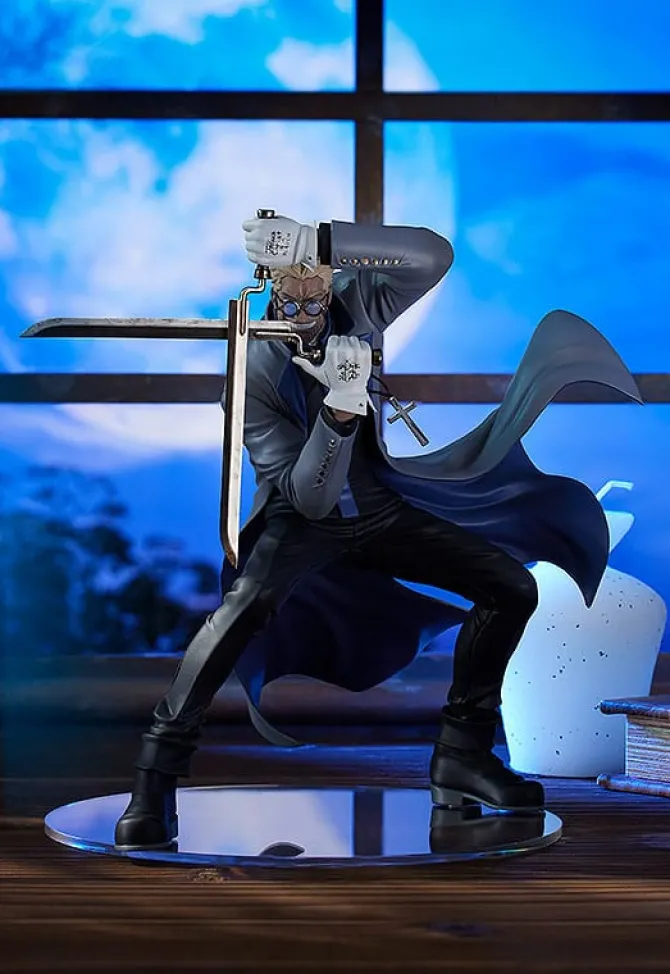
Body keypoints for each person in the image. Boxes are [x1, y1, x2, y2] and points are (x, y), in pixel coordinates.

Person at [114, 213, 641, 851]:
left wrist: (319, 239)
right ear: (269, 288)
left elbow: (433, 255)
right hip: (300, 519)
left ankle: (463, 756)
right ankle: (155, 778)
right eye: (290, 298)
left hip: (378, 507)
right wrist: (338, 410)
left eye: (316, 292)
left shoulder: (356, 305)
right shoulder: (253, 373)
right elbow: (309, 497)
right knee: (240, 613)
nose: (306, 311)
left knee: (510, 587)